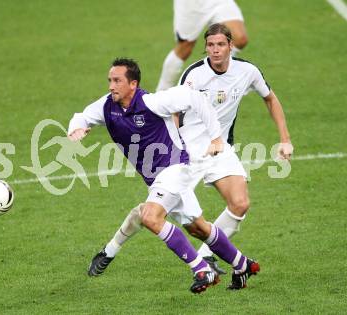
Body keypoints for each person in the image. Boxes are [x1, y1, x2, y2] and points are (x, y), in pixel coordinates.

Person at [88, 23, 292, 283]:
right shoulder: (194, 74)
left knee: (239, 204)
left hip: (219, 148)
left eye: (220, 45)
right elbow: (175, 110)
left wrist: (285, 139)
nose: (215, 50)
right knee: (168, 218)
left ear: (231, 46)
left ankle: (206, 258)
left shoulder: (248, 71)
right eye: (210, 45)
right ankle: (111, 249)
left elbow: (270, 98)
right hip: (187, 153)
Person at [74, 57, 260, 293]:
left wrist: (216, 137)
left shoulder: (153, 101)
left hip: (175, 169)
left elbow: (195, 97)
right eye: (110, 80)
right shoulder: (107, 106)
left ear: (133, 84)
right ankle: (243, 265)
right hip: (157, 179)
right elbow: (82, 115)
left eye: (117, 81)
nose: (111, 86)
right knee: (198, 228)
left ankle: (201, 269)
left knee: (151, 217)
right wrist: (77, 127)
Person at [156, 0, 248, 91]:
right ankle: (160, 95)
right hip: (192, 4)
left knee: (239, 38)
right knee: (184, 48)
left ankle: (216, 83)